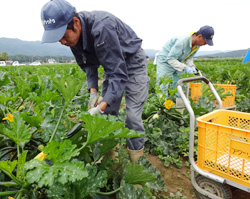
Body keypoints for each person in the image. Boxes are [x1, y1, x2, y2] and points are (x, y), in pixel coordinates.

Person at [40, 0, 149, 162]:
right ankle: (110, 158)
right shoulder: (73, 39)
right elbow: (89, 64)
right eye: (58, 39)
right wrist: (93, 92)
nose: (62, 42)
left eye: (63, 36)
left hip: (132, 62)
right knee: (106, 115)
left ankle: (138, 165)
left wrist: (102, 104)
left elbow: (118, 74)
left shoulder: (102, 27)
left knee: (132, 116)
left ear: (75, 23)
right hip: (112, 65)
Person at [156, 26, 214, 106]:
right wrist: (185, 67)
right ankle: (161, 109)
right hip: (165, 61)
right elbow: (171, 59)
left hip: (178, 61)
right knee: (163, 85)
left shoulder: (197, 45)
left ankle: (180, 108)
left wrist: (191, 66)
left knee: (180, 84)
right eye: (206, 41)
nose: (206, 44)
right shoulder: (182, 41)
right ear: (199, 36)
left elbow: (189, 57)